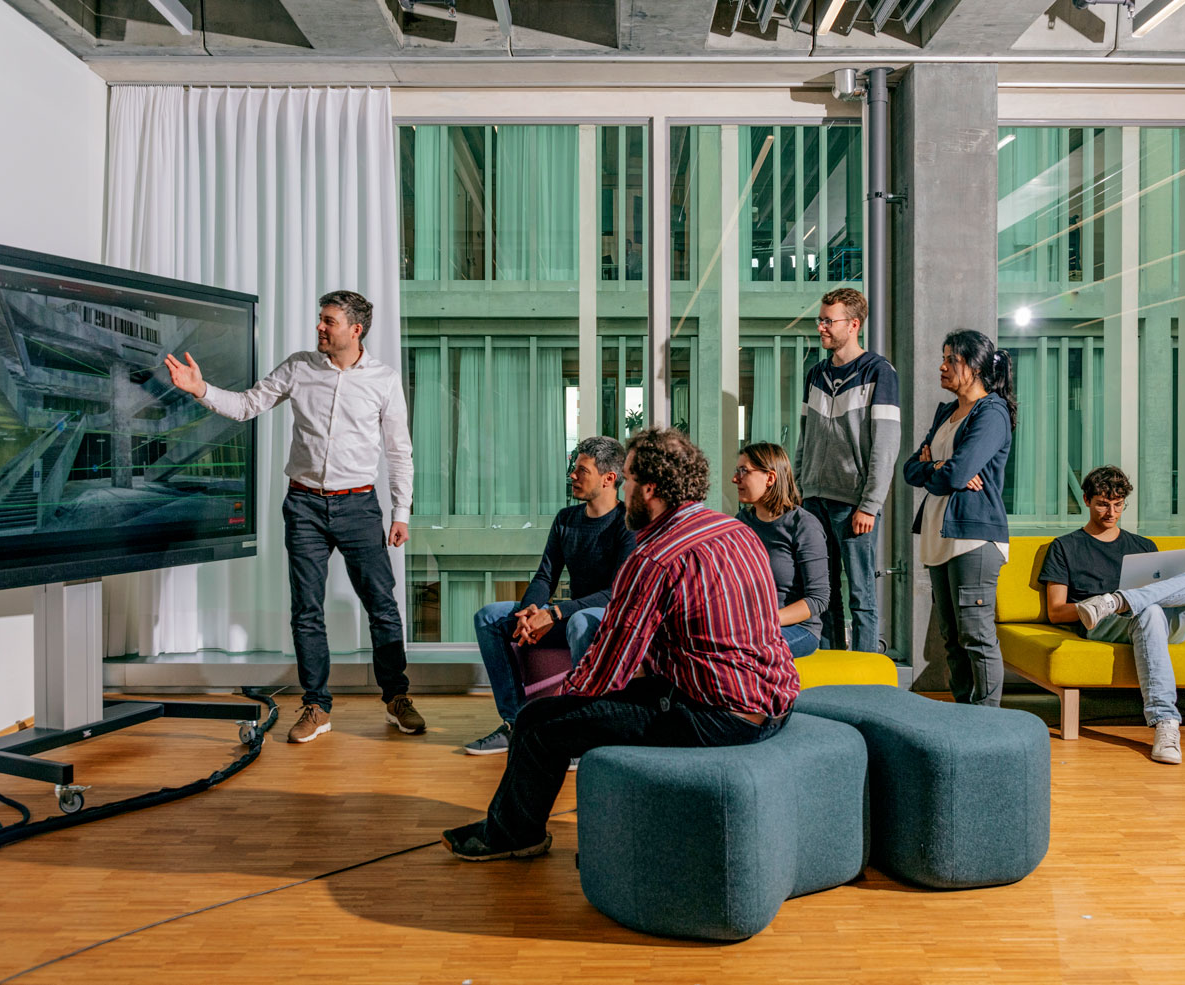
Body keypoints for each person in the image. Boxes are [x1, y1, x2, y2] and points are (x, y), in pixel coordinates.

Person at [441, 428, 799, 861]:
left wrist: (560, 707)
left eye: (627, 480)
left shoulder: (653, 558)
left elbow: (605, 673)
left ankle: (512, 836)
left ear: (649, 489)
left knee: (538, 722)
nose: (623, 491)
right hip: (774, 701)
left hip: (719, 717)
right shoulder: (734, 530)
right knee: (582, 710)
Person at [164, 290, 425, 743]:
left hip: (359, 506)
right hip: (304, 506)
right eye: (320, 319)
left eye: (329, 321)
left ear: (355, 330)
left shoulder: (383, 380)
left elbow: (399, 450)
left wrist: (401, 511)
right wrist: (200, 389)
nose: (319, 327)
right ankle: (316, 706)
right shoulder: (299, 367)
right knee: (306, 609)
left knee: (382, 606)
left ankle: (396, 697)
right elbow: (247, 405)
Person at [464, 436, 636, 755]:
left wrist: (555, 613)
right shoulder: (566, 519)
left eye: (582, 470)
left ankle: (586, 732)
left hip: (605, 621)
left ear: (609, 478)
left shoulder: (628, 524)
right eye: (574, 468)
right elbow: (545, 576)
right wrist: (529, 611)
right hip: (570, 617)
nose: (572, 475)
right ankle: (516, 723)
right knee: (489, 617)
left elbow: (617, 592)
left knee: (580, 621)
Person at [1038, 466, 1185, 764]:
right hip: (1104, 624)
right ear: (1086, 500)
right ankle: (1165, 723)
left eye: (1118, 504)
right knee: (1149, 611)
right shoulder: (1065, 547)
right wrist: (1095, 605)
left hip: (1162, 623)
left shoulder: (1143, 546)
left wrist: (1121, 600)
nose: (1111, 512)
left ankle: (1118, 600)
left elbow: (1165, 593)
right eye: (1102, 504)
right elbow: (1056, 612)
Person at [903, 329, 1016, 708]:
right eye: (944, 358)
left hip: (974, 537)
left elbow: (956, 474)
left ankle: (986, 722)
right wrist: (939, 466)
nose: (942, 366)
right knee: (951, 639)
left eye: (951, 359)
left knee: (975, 636)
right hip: (939, 534)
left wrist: (940, 468)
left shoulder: (992, 412)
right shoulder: (946, 413)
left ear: (975, 366)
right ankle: (965, 718)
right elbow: (910, 469)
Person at [795, 287, 900, 654]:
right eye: (820, 320)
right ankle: (830, 666)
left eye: (829, 321)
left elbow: (886, 445)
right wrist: (800, 487)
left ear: (853, 324)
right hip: (813, 500)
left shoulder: (879, 372)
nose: (821, 327)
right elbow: (805, 437)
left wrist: (869, 505)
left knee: (861, 594)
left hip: (854, 504)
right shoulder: (815, 374)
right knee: (823, 595)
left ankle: (866, 672)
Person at [731, 442, 830, 660]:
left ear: (770, 478)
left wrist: (765, 621)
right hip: (747, 629)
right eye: (737, 470)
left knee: (742, 651)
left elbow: (818, 599)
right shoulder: (741, 522)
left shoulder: (803, 526)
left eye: (744, 471)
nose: (735, 479)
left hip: (797, 629)